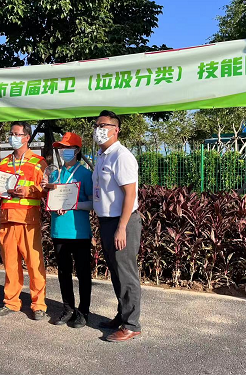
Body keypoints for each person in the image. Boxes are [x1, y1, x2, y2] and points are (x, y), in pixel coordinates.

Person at [92, 110, 142, 342]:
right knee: (115, 271)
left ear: (116, 130)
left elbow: (130, 194)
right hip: (107, 221)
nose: (99, 130)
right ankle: (122, 315)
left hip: (122, 221)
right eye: (96, 125)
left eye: (104, 125)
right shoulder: (102, 156)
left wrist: (122, 227)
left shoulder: (121, 156)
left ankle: (132, 324)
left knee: (126, 273)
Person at [0, 121, 48, 320]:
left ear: (27, 137)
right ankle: (11, 302)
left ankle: (39, 304)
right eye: (11, 133)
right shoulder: (4, 163)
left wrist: (29, 190)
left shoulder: (39, 162)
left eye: (17, 134)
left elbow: (45, 189)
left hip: (28, 220)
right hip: (7, 219)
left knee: (34, 264)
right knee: (10, 264)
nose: (12, 137)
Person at [41, 132, 93, 328]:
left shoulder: (86, 174)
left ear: (77, 150)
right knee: (63, 272)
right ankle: (68, 308)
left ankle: (84, 311)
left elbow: (92, 204)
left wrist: (73, 205)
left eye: (67, 148)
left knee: (83, 273)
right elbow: (50, 200)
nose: (63, 151)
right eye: (61, 148)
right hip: (59, 230)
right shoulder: (55, 174)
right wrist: (45, 190)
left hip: (79, 231)